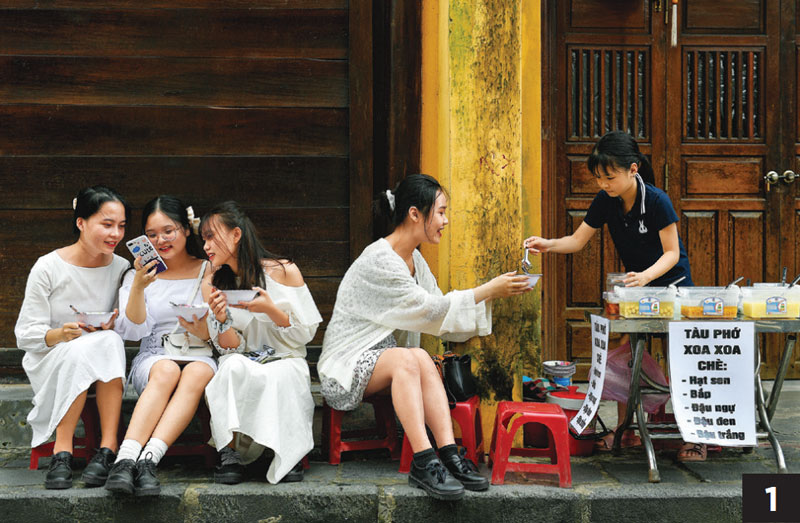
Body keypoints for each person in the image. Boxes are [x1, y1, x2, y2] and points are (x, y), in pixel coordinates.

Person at [318, 174, 533, 501]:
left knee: (418, 357)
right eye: (441, 212)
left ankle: (448, 454)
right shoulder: (379, 260)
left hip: (385, 358)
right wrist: (488, 289)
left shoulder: (414, 258)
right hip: (345, 365)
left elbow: (438, 312)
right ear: (415, 214)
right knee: (408, 359)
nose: (446, 221)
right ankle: (423, 460)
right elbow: (430, 309)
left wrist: (489, 295)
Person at [523, 130, 704, 462]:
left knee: (680, 359)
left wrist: (647, 277)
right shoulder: (606, 201)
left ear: (633, 170)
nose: (603, 183)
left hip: (673, 287)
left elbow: (672, 253)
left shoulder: (658, 200)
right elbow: (577, 241)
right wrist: (548, 244)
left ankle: (694, 436)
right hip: (637, 288)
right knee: (627, 354)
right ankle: (627, 430)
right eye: (599, 177)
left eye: (610, 176)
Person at [14, 186, 130, 489]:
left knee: (109, 341)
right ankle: (62, 448)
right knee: (83, 349)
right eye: (106, 224)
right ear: (81, 222)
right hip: (51, 356)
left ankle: (107, 448)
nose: (115, 234)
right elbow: (25, 335)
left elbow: (128, 323)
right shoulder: (48, 266)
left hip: (100, 353)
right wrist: (61, 334)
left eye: (121, 226)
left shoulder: (121, 268)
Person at [201, 201, 322, 484]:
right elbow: (230, 347)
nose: (206, 246)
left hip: (285, 357)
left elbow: (305, 334)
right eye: (203, 238)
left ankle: (286, 453)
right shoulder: (217, 283)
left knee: (287, 374)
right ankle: (230, 453)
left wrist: (271, 310)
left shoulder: (284, 270)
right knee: (229, 366)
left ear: (236, 235)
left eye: (211, 236)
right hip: (248, 358)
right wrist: (222, 320)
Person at [105, 196, 216, 496]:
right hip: (154, 357)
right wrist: (140, 286)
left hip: (198, 353)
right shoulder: (136, 275)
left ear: (186, 229)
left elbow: (222, 328)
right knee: (166, 369)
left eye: (169, 231)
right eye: (152, 234)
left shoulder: (209, 269)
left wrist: (201, 326)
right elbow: (133, 329)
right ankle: (126, 460)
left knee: (196, 372)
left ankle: (149, 460)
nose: (161, 240)